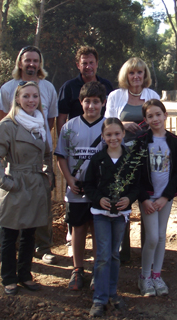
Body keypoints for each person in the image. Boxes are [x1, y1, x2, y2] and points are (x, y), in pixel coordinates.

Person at [0, 81, 53, 295]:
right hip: (16, 183)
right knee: (9, 235)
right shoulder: (8, 125)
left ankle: (25, 275)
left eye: (35, 96)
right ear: (17, 99)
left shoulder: (40, 123)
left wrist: (47, 178)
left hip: (35, 185)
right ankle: (8, 277)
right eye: (26, 96)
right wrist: (4, 182)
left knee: (29, 234)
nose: (31, 100)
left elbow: (46, 154)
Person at [0, 46, 58, 264]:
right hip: (17, 159)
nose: (32, 64)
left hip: (39, 157)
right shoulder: (7, 88)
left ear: (40, 64)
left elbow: (49, 120)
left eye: (36, 61)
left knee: (42, 206)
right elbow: (4, 119)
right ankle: (10, 249)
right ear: (19, 63)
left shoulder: (48, 88)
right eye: (27, 60)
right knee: (15, 207)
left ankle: (43, 247)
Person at [84, 118, 141, 317]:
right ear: (103, 137)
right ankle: (99, 298)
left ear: (123, 134)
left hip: (120, 215)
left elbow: (136, 186)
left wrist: (129, 198)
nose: (113, 138)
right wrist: (99, 199)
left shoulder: (130, 159)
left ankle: (112, 292)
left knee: (115, 254)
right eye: (109, 135)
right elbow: (88, 185)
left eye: (117, 134)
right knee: (102, 255)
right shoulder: (98, 159)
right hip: (101, 214)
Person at [104, 57, 160, 261]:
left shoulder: (152, 95)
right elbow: (107, 123)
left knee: (147, 201)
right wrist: (123, 124)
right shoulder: (115, 96)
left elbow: (159, 120)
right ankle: (122, 251)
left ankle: (149, 250)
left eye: (140, 72)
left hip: (147, 157)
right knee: (122, 202)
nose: (136, 76)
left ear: (145, 75)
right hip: (121, 158)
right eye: (132, 73)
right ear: (125, 76)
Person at [55, 82, 107, 291]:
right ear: (80, 102)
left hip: (99, 191)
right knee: (78, 229)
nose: (91, 106)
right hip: (76, 190)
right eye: (87, 101)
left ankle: (97, 269)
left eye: (96, 102)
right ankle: (77, 269)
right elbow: (61, 156)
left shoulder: (108, 126)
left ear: (103, 103)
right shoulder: (69, 127)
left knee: (97, 229)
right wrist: (69, 179)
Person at [136, 99, 177, 296]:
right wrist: (144, 199)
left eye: (158, 114)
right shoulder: (142, 141)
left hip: (165, 198)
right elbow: (136, 173)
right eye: (150, 116)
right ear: (145, 120)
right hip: (147, 198)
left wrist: (166, 197)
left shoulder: (173, 140)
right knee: (152, 237)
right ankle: (144, 276)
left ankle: (157, 275)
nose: (155, 119)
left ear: (165, 116)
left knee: (162, 236)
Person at [57, 46, 114, 135]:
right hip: (77, 137)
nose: (88, 66)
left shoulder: (107, 85)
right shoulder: (69, 87)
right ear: (78, 65)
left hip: (103, 137)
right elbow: (61, 118)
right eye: (84, 63)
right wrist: (65, 142)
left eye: (91, 62)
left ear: (97, 64)